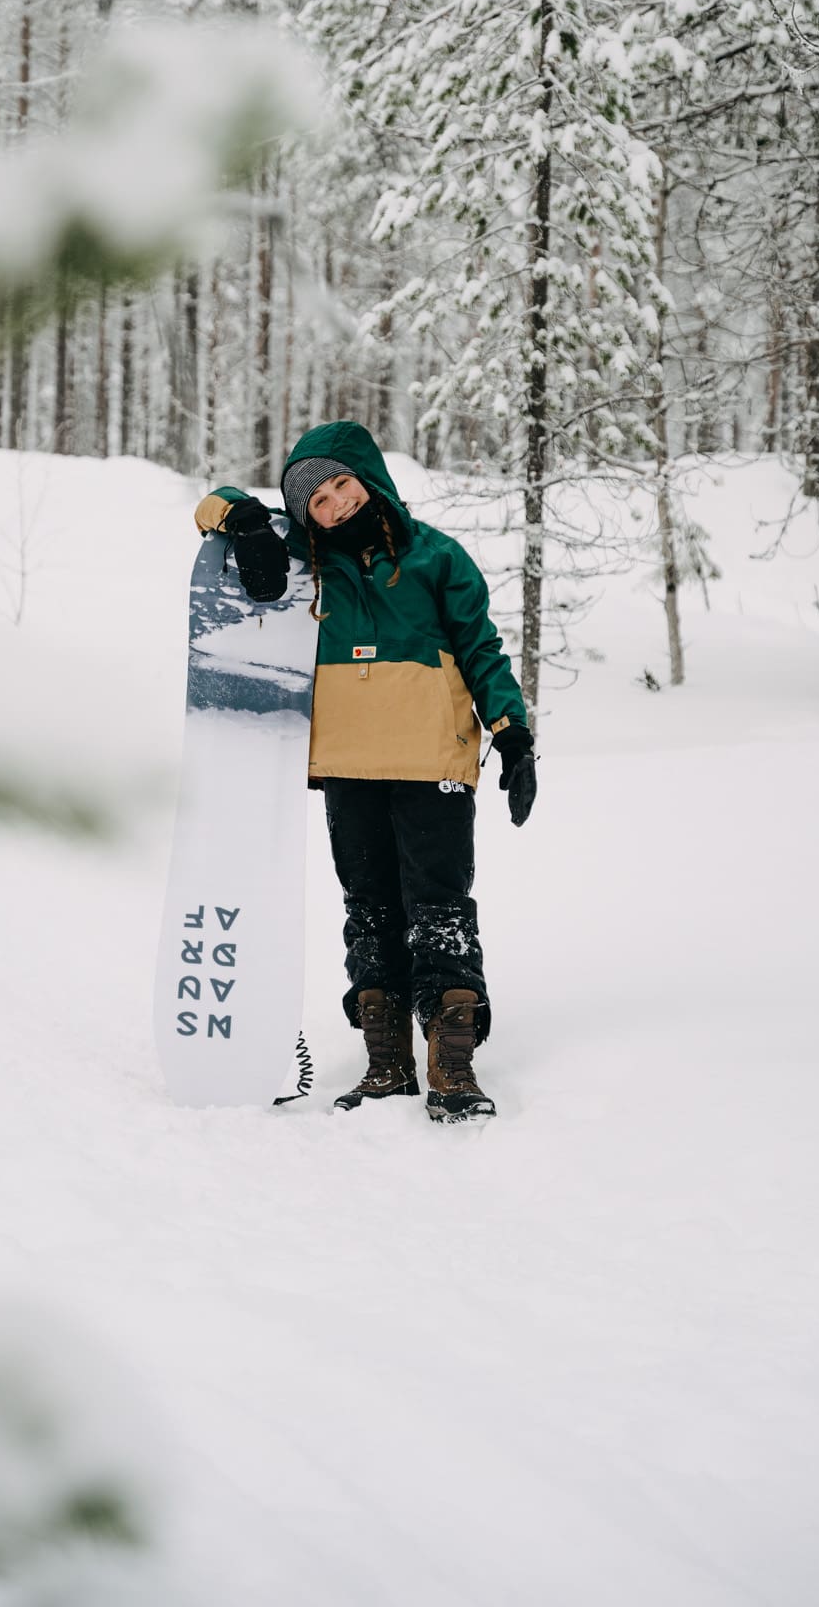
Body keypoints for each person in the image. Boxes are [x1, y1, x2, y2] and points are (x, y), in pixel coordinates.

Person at [194, 421, 536, 1122]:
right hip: (346, 763)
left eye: (340, 483)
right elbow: (210, 508)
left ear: (369, 475)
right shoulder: (302, 561)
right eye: (315, 500)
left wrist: (512, 730)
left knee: (437, 906)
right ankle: (386, 1065)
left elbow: (481, 647)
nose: (335, 504)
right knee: (370, 908)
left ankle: (452, 1066)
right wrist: (251, 523)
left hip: (431, 758)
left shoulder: (437, 556)